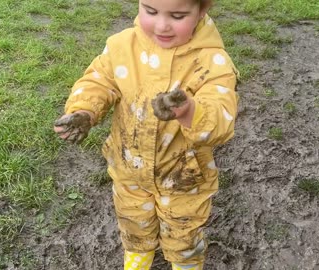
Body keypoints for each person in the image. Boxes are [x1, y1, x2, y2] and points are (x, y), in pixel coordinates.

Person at [54, 0, 238, 269]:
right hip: (129, 166)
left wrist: (189, 111)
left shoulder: (212, 61)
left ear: (202, 10)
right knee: (132, 218)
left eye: (177, 15)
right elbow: (99, 80)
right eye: (150, 10)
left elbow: (222, 117)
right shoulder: (121, 46)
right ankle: (138, 254)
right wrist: (84, 110)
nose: (161, 25)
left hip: (184, 176)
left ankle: (186, 263)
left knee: (184, 230)